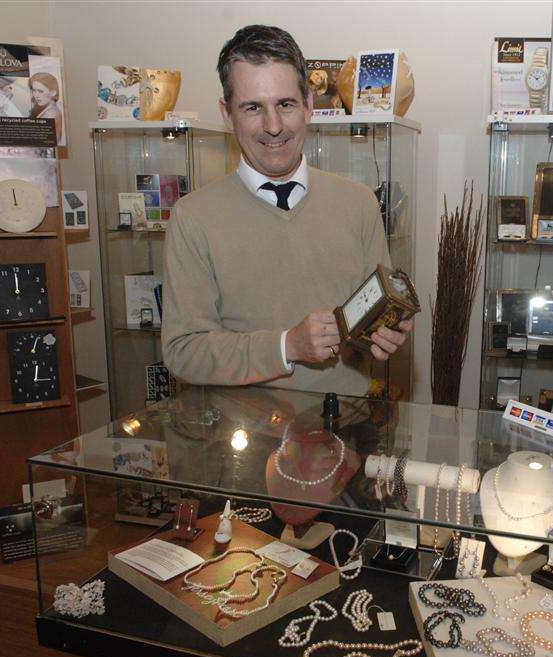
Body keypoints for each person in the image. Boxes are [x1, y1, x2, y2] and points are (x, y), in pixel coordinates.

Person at [161, 25, 412, 396]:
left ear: (309, 104)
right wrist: (287, 346)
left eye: (285, 104)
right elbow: (183, 352)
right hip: (242, 443)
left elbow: (373, 319)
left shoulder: (358, 203)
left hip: (344, 431)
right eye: (252, 108)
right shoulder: (192, 217)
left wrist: (386, 332)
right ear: (227, 115)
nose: (274, 126)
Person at [29, 72, 64, 143]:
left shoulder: (51, 114)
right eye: (34, 91)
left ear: (53, 92)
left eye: (40, 91)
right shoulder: (49, 109)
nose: (36, 95)